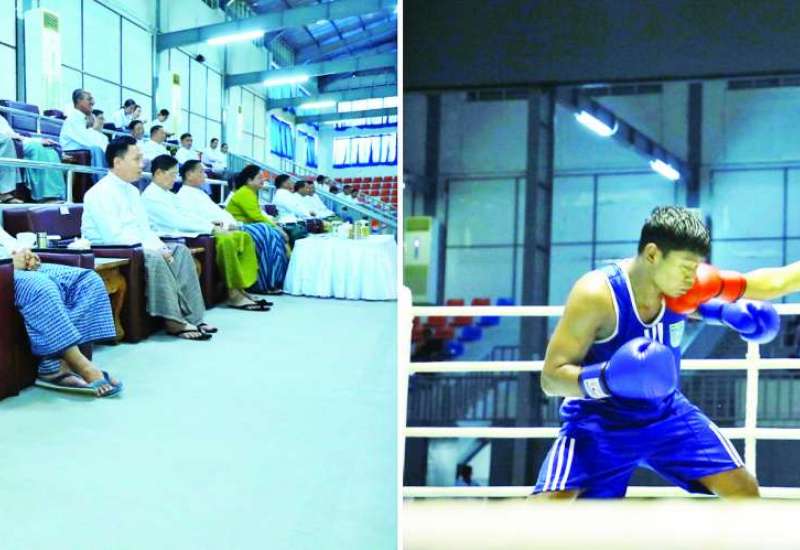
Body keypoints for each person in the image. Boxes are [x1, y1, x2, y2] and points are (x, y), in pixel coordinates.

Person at [533, 206, 787, 499]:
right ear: (653, 254)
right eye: (686, 267)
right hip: (599, 422)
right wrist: (607, 379)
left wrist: (730, 313)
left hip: (666, 413)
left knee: (744, 491)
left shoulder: (679, 287)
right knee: (548, 508)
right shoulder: (597, 295)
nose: (692, 278)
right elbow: (550, 379)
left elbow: (701, 305)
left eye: (697, 268)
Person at [81, 136, 216, 340]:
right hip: (112, 248)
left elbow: (144, 230)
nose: (142, 164)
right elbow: (113, 235)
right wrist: (154, 249)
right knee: (155, 256)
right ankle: (174, 321)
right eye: (136, 159)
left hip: (137, 245)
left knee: (179, 251)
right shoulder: (99, 192)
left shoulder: (132, 191)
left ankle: (195, 317)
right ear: (118, 162)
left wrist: (161, 246)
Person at [0, 226, 121, 397]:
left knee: (88, 280)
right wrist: (10, 263)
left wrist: (26, 255)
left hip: (14, 265)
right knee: (41, 287)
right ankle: (80, 365)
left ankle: (56, 363)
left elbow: (8, 242)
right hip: (4, 270)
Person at [142, 156, 268, 311]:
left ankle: (241, 287)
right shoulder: (152, 196)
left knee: (244, 236)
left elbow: (189, 216)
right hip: (174, 236)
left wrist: (213, 226)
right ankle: (233, 293)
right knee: (226, 240)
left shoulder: (170, 195)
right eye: (173, 174)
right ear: (159, 173)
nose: (176, 179)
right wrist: (211, 228)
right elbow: (177, 221)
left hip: (191, 232)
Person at [225, 164, 291, 293]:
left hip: (249, 226)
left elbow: (258, 216)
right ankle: (266, 284)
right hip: (237, 227)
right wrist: (278, 229)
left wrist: (276, 228)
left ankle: (275, 281)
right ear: (249, 180)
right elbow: (256, 216)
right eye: (259, 178)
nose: (263, 180)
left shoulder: (250, 193)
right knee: (268, 233)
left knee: (272, 233)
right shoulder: (244, 193)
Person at [0, 114, 65, 202]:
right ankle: (43, 196)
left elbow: (13, 135)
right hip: (8, 142)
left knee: (48, 150)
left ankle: (54, 195)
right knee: (34, 147)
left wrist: (37, 140)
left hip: (15, 142)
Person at [59, 89, 106, 168]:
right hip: (70, 157)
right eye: (89, 99)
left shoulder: (84, 119)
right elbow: (92, 142)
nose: (93, 102)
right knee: (96, 149)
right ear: (79, 101)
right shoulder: (74, 119)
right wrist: (96, 129)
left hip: (82, 153)